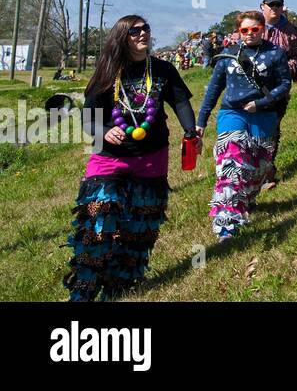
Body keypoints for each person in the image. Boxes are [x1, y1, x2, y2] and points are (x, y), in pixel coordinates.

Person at [65, 15, 198, 301]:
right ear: (122, 37)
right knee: (97, 225)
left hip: (151, 158)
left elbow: (180, 101)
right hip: (109, 159)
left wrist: (190, 131)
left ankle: (120, 286)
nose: (143, 34)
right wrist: (105, 131)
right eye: (135, 31)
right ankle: (84, 290)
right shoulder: (107, 72)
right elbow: (88, 119)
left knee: (140, 228)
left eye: (146, 28)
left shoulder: (162, 70)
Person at [197, 11, 291, 239]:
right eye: (244, 30)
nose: (249, 34)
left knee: (256, 169)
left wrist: (260, 103)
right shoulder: (228, 55)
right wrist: (201, 121)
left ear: (263, 29)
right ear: (239, 31)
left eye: (254, 29)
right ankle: (226, 223)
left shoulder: (275, 54)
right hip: (232, 113)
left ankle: (246, 199)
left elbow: (285, 84)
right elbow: (213, 89)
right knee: (231, 163)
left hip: (263, 116)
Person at [259, 0, 297, 189]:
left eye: (278, 5)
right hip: (253, 87)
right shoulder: (252, 27)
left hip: (278, 88)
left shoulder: (292, 31)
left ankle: (267, 171)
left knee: (272, 126)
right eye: (271, 5)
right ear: (263, 7)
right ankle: (250, 168)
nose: (275, 8)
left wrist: (284, 69)